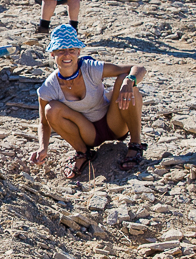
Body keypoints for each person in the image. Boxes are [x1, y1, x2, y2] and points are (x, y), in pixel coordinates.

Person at [30, 25, 146, 178]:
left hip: (114, 123)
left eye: (72, 50)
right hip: (87, 133)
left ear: (78, 52)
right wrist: (43, 148)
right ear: (52, 54)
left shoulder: (90, 68)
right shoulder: (49, 87)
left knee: (125, 80)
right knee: (51, 109)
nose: (67, 55)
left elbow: (138, 68)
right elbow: (44, 123)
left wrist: (129, 82)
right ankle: (83, 153)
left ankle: (135, 144)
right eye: (61, 50)